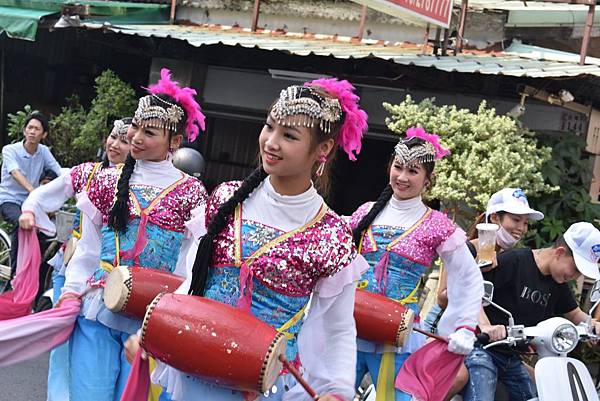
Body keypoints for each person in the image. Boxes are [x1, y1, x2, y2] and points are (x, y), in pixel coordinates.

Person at [125, 78, 370, 401]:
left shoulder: (331, 234)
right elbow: (194, 279)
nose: (271, 142)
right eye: (269, 127)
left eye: (289, 135)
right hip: (196, 364)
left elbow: (337, 327)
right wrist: (156, 326)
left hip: (262, 384)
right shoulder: (227, 199)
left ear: (322, 149)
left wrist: (336, 390)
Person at [54, 68, 208, 401]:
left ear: (175, 142)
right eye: (136, 127)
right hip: (96, 308)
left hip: (152, 320)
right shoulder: (107, 181)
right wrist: (70, 292)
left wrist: (169, 318)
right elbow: (89, 249)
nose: (136, 137)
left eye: (149, 132)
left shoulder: (191, 192)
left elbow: (192, 263)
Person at [349, 127, 484, 401]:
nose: (402, 177)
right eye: (398, 167)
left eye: (413, 171)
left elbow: (468, 277)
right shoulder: (365, 212)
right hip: (349, 328)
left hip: (394, 336)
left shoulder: (436, 225)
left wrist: (464, 325)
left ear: (427, 180)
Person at [19, 117, 132, 401]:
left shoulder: (140, 187)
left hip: (117, 287)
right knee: (63, 348)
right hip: (72, 273)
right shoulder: (86, 174)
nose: (115, 145)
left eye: (124, 140)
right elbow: (40, 197)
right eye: (113, 137)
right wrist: (30, 212)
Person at [421, 187, 544, 399]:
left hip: (485, 341)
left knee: (536, 384)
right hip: (447, 329)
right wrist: (474, 274)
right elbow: (442, 297)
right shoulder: (465, 248)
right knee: (459, 378)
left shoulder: (511, 259)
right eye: (516, 220)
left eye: (525, 223)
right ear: (495, 218)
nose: (522, 228)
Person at [462, 222, 600, 401]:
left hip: (512, 358)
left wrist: (592, 325)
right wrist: (486, 326)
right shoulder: (515, 261)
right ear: (559, 253)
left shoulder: (558, 282)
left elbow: (574, 314)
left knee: (534, 396)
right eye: (576, 270)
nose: (575, 277)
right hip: (483, 349)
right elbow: (472, 290)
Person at [0, 112, 61, 275]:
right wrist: (33, 191)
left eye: (37, 129)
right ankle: (15, 275)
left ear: (44, 134)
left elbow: (58, 171)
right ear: (24, 130)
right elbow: (15, 172)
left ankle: (37, 273)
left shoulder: (43, 151)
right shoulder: (10, 150)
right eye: (30, 127)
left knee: (50, 230)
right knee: (23, 222)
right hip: (8, 200)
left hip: (31, 201)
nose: (33, 131)